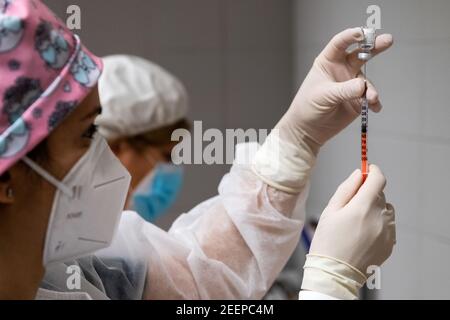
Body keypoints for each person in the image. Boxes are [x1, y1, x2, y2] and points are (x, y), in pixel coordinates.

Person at [0, 0, 395, 300]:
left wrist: (295, 142)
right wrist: (330, 285)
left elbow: (202, 275)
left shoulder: (72, 268)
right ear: (9, 178)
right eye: (88, 134)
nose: (105, 157)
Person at [96, 55, 190, 223]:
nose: (172, 170)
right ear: (117, 148)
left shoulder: (114, 229)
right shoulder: (73, 232)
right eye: (166, 156)